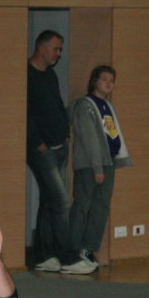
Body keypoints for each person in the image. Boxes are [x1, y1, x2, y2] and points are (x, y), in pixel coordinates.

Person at [26, 30, 95, 275]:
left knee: (49, 201)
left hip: (59, 146)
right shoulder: (27, 75)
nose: (59, 54)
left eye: (60, 49)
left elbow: (56, 104)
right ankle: (68, 258)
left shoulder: (50, 74)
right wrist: (38, 143)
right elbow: (26, 113)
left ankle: (45, 255)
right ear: (42, 48)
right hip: (41, 149)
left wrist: (65, 133)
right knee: (61, 201)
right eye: (56, 49)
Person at [69, 65, 132, 264]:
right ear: (94, 81)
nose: (108, 83)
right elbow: (90, 139)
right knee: (82, 205)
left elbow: (112, 134)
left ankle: (88, 248)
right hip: (89, 164)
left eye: (112, 81)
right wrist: (97, 168)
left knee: (101, 207)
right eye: (104, 79)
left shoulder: (108, 106)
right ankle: (72, 250)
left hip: (108, 163)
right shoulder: (85, 105)